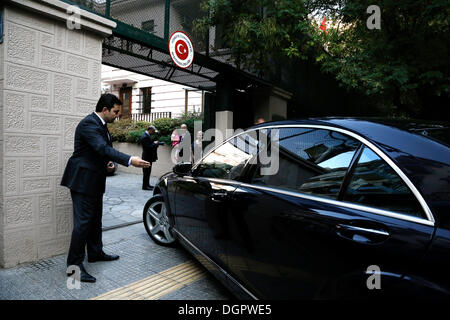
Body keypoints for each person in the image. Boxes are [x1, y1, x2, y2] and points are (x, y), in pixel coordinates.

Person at [61, 93, 150, 283]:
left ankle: (95, 252)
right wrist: (129, 160)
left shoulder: (102, 125)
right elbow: (101, 148)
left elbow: (98, 152)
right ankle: (73, 269)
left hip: (94, 181)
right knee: (82, 225)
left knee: (94, 221)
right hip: (83, 182)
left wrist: (107, 162)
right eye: (116, 112)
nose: (117, 115)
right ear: (105, 109)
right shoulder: (89, 124)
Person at [141, 125, 160, 190]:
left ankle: (147, 185)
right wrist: (155, 144)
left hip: (148, 157)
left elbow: (149, 145)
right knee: (146, 172)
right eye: (153, 131)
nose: (154, 132)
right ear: (151, 130)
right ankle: (145, 186)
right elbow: (148, 147)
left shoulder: (147, 135)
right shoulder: (145, 136)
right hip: (147, 157)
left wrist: (154, 143)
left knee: (148, 172)